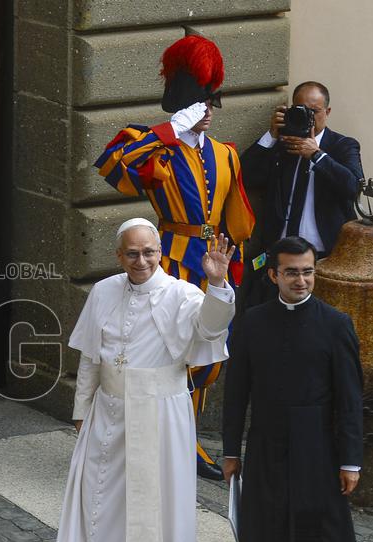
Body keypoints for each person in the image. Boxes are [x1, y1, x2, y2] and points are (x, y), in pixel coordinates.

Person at [51, 218, 236, 542]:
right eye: (132, 253)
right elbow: (90, 358)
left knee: (150, 508)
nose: (141, 260)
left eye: (148, 252)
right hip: (108, 409)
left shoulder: (182, 294)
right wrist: (81, 411)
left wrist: (219, 285)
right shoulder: (103, 291)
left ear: (160, 253)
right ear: (119, 255)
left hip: (157, 414)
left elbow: (210, 327)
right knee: (100, 499)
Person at [94, 34, 254, 480]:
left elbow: (238, 221)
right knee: (166, 354)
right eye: (197, 104)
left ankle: (186, 439)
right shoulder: (153, 145)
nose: (204, 112)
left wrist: (236, 271)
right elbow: (112, 169)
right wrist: (168, 131)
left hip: (214, 265)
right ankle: (157, 438)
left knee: (207, 359)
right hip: (171, 263)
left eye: (207, 103)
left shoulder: (225, 154)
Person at [222, 236, 373, 542]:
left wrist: (350, 460)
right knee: (264, 538)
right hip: (267, 442)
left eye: (308, 271)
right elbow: (237, 393)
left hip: (316, 450)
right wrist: (231, 451)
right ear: (273, 275)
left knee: (307, 541)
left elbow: (349, 399)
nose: (302, 280)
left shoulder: (335, 323)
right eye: (292, 271)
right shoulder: (252, 322)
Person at [238, 82, 363, 308]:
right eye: (300, 109)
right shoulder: (283, 143)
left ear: (328, 112)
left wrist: (317, 155)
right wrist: (271, 136)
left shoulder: (342, 146)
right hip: (280, 253)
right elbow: (245, 176)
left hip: (324, 257)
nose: (309, 117)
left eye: (314, 111)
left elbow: (352, 187)